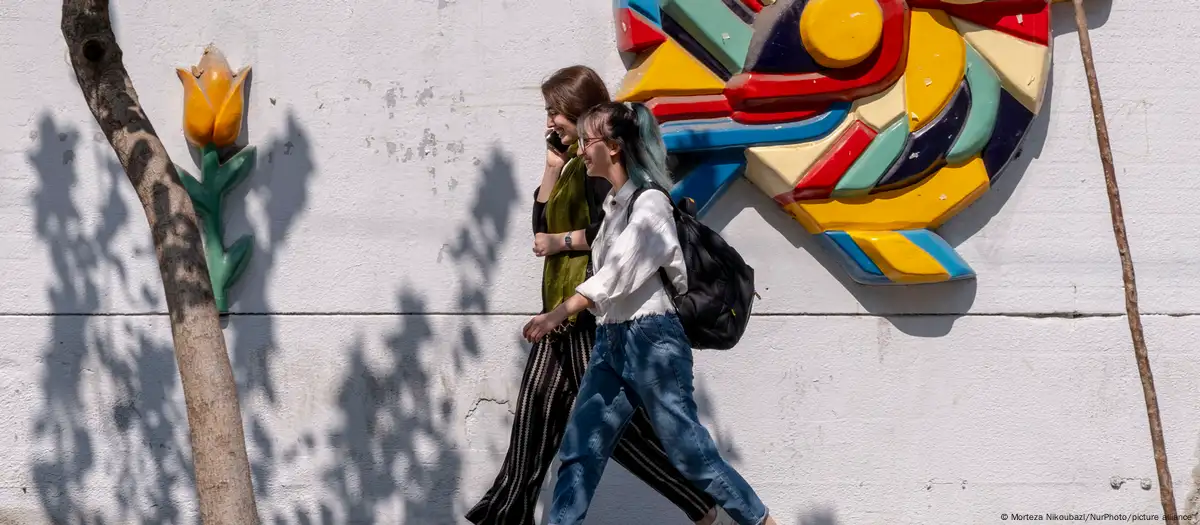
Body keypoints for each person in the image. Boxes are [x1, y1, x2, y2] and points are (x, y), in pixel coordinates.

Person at [467, 65, 725, 525]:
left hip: (587, 315)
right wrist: (549, 168)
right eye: (547, 113)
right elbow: (540, 231)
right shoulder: (570, 166)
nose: (550, 122)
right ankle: (506, 515)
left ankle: (703, 503)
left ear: (580, 112)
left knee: (610, 429)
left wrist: (563, 243)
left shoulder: (600, 167)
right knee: (536, 426)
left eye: (556, 113)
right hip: (561, 315)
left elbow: (608, 232)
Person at [522, 101, 779, 525]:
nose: (582, 150)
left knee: (689, 453)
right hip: (612, 342)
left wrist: (557, 314)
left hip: (653, 341)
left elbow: (617, 274)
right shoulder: (615, 209)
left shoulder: (651, 205)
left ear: (615, 148)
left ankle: (761, 521)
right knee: (580, 449)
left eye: (588, 141)